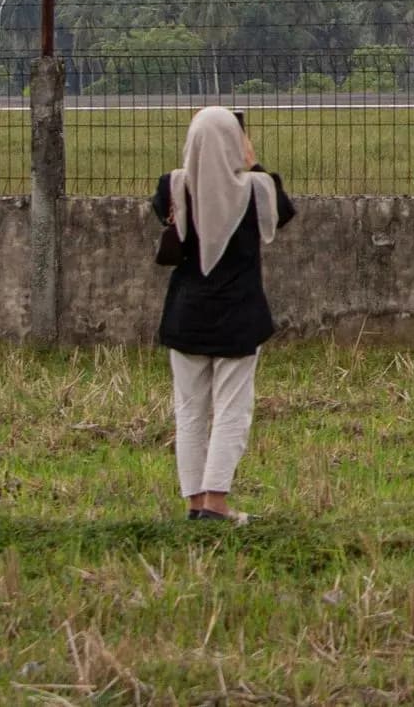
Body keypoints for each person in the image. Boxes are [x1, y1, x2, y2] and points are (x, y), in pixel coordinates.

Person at [151, 106, 296, 522]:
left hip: (185, 317)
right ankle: (217, 501)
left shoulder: (173, 187)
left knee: (189, 409)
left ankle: (195, 502)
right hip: (238, 317)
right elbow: (284, 212)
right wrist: (251, 161)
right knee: (232, 408)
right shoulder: (258, 190)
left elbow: (166, 207)